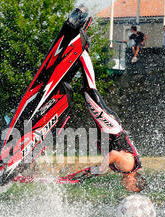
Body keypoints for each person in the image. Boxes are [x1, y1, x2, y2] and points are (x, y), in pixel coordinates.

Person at [63, 50, 147, 192]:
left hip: (109, 128)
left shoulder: (126, 169)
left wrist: (88, 172)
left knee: (88, 93)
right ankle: (82, 51)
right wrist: (102, 168)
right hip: (111, 129)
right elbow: (114, 154)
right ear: (134, 181)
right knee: (89, 91)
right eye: (131, 188)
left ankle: (78, 59)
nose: (126, 188)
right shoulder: (128, 166)